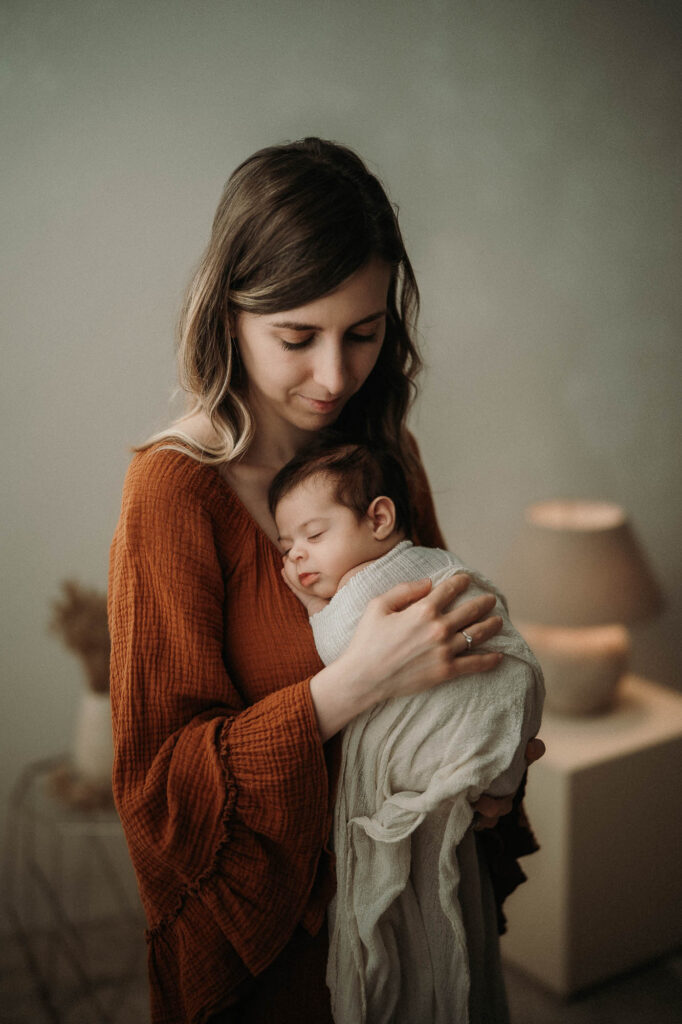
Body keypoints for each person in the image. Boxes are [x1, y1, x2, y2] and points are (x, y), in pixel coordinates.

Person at [108, 137, 544, 1024]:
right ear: (227, 315)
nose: (336, 375)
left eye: (365, 333)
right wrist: (351, 686)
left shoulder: (381, 460)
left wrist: (492, 766)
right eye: (297, 337)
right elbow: (159, 790)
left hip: (425, 903)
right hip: (290, 948)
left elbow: (453, 638)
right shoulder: (174, 493)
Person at [270, 440, 544, 1024]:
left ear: (380, 518)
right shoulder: (429, 559)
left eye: (313, 536)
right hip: (484, 760)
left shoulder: (375, 583)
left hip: (447, 746)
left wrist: (311, 606)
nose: (295, 558)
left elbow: (344, 654)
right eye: (286, 546)